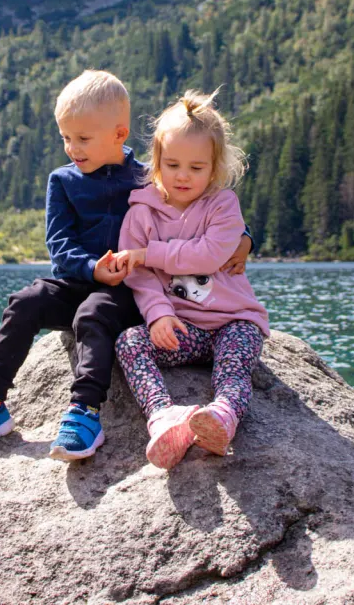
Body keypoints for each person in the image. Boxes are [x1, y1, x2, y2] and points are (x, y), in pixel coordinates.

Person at [0, 71, 251, 461]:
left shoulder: (148, 177)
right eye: (66, 138)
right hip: (79, 280)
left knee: (94, 314)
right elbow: (59, 246)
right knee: (25, 301)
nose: (72, 148)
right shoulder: (62, 181)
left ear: (119, 134)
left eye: (83, 139)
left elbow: (197, 204)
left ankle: (84, 413)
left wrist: (245, 238)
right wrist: (92, 268)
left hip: (125, 290)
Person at [111, 90, 269, 470]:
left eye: (196, 168)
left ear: (214, 169)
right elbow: (141, 278)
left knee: (234, 363)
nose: (182, 175)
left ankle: (223, 416)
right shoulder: (141, 212)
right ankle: (164, 418)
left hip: (234, 321)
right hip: (184, 329)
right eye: (172, 164)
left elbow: (210, 253)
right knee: (130, 342)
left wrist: (149, 253)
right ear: (156, 162)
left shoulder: (223, 205)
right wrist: (158, 314)